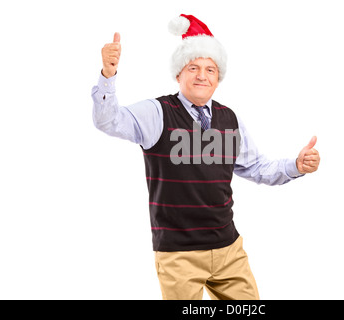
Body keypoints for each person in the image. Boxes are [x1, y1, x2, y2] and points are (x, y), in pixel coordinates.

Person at [91, 14, 320, 300]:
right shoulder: (158, 112)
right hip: (178, 254)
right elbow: (109, 120)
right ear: (179, 73)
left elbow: (256, 167)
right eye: (193, 67)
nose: (202, 75)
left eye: (210, 69)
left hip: (228, 250)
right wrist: (108, 75)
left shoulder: (229, 118)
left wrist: (295, 165)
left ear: (218, 77)